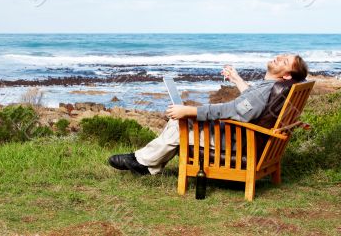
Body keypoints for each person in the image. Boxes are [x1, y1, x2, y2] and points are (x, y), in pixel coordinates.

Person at [108, 54, 309, 175]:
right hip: (243, 137)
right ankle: (148, 164)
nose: (278, 57)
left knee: (181, 123)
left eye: (284, 60)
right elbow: (252, 101)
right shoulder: (272, 87)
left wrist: (189, 111)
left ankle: (143, 162)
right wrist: (237, 79)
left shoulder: (266, 90)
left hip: (235, 140)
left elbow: (231, 111)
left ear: (287, 75)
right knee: (181, 120)